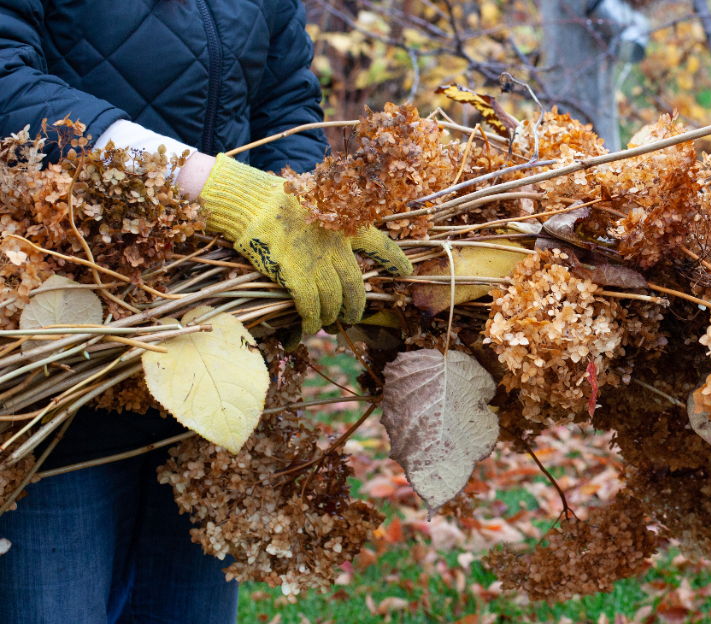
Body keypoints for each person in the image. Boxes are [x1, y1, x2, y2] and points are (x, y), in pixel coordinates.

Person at [0, 1, 410, 622]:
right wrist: (212, 186)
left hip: (213, 354)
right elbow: (7, 82)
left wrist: (306, 211)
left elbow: (287, 100)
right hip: (58, 364)